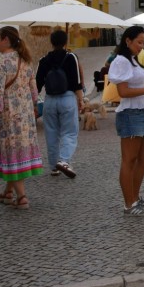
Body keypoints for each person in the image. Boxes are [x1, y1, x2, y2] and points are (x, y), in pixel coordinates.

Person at [0, 26, 43, 209]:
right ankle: (8, 192)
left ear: (5, 39)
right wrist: (35, 106)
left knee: (12, 154)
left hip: (8, 114)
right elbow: (34, 89)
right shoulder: (25, 60)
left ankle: (22, 197)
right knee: (19, 154)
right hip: (25, 114)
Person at [108, 25, 144, 216]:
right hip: (130, 113)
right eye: (139, 42)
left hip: (141, 109)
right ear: (127, 41)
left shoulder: (132, 60)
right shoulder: (121, 61)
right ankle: (129, 203)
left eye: (143, 42)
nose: (141, 46)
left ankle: (135, 197)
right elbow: (123, 92)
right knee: (129, 159)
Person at [35, 30, 84, 179]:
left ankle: (53, 166)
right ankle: (63, 160)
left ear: (51, 42)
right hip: (67, 97)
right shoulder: (71, 57)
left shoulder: (43, 60)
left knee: (51, 133)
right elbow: (77, 82)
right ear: (65, 42)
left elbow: (37, 84)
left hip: (49, 99)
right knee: (70, 131)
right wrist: (80, 100)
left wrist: (34, 103)